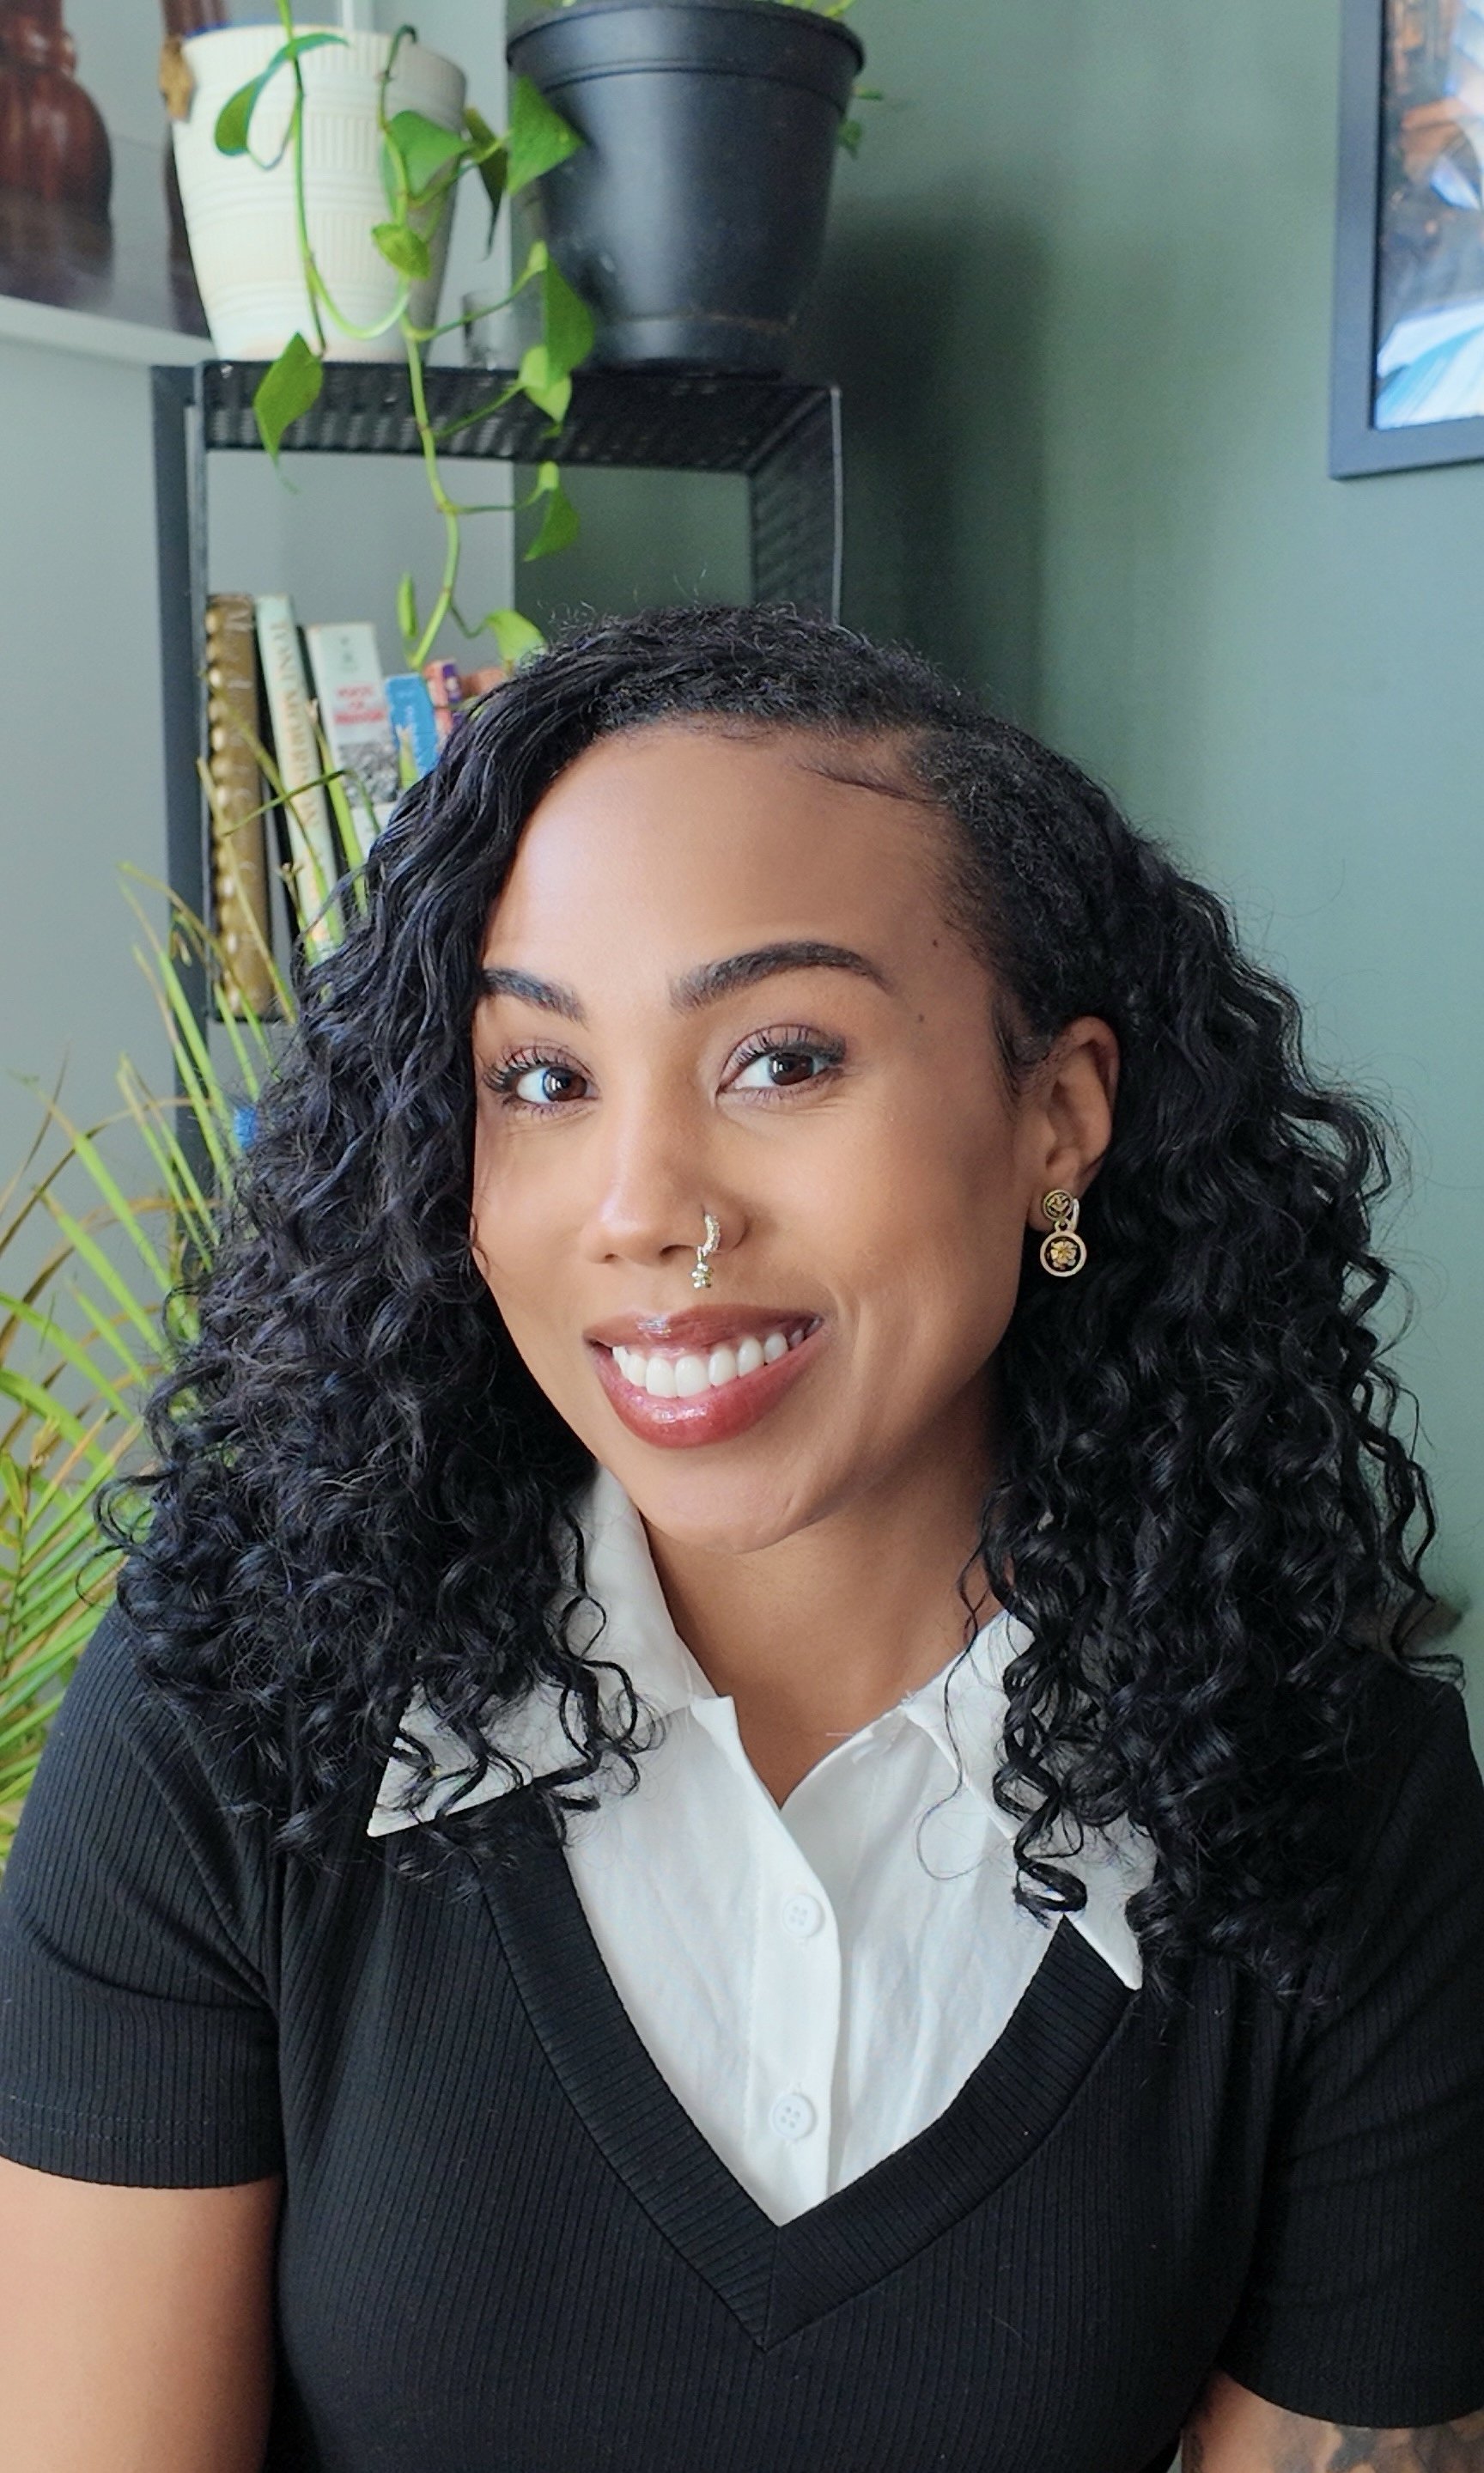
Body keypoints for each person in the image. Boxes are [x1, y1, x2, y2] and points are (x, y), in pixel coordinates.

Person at [0, 605, 1480, 2473]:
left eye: (780, 1057)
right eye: (542, 1079)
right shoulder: (234, 1712)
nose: (640, 1210)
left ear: (1060, 1120)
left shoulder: (1340, 1804)